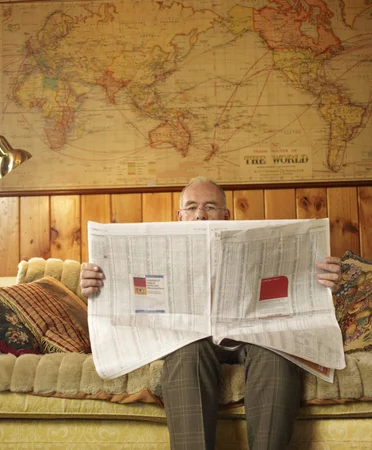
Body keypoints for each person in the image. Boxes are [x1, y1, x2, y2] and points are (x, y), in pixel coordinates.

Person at [80, 177, 342, 450]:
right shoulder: (159, 252)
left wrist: (326, 283)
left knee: (275, 353)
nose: (200, 214)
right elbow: (126, 299)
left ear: (226, 216)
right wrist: (96, 286)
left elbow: (296, 289)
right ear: (179, 216)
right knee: (187, 353)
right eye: (191, 207)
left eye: (209, 207)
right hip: (192, 341)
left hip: (252, 336)